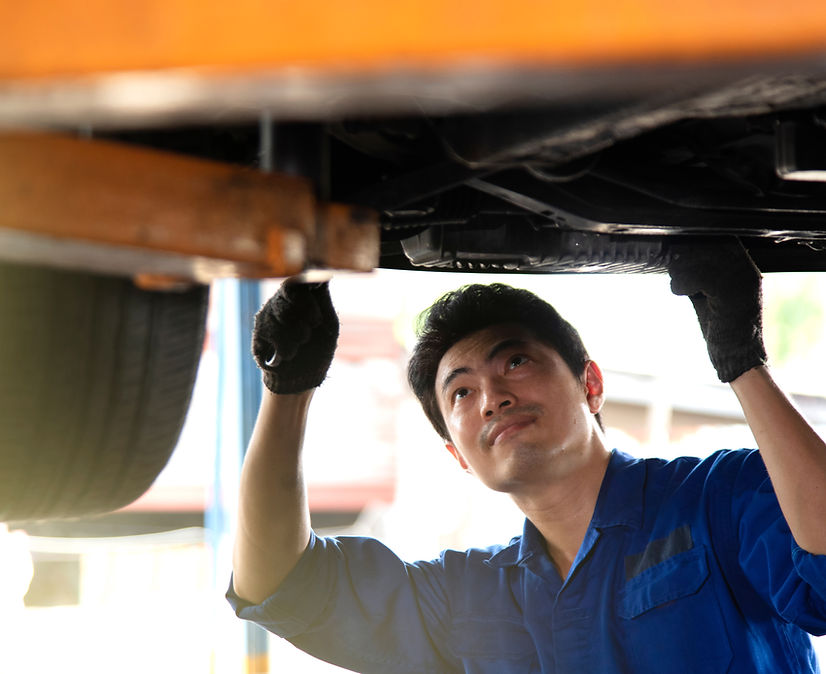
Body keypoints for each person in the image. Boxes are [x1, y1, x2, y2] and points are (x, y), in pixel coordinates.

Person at [227, 241, 826, 673]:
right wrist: (288, 392)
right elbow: (279, 581)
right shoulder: (469, 596)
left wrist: (743, 363)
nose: (492, 398)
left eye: (515, 362)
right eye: (461, 391)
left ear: (590, 384)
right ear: (457, 454)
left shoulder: (720, 499)